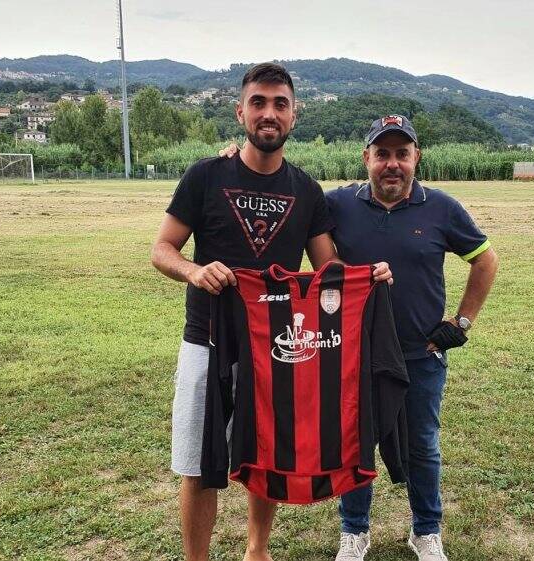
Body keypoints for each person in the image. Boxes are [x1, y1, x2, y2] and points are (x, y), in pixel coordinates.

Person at [151, 63, 391, 561]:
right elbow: (163, 249)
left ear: (294, 116)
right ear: (241, 111)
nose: (268, 113)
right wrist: (194, 272)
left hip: (276, 348)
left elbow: (329, 269)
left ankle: (256, 551)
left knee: (267, 455)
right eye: (258, 102)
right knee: (198, 463)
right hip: (208, 339)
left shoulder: (305, 191)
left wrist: (367, 278)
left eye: (280, 104)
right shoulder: (205, 175)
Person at [326, 115, 498, 561]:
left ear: (416, 157)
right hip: (356, 354)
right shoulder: (338, 205)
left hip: (422, 354)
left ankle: (425, 531)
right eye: (382, 153)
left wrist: (460, 324)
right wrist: (234, 158)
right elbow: (287, 202)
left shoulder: (441, 207)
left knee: (422, 443)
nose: (392, 164)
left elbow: (485, 261)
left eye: (402, 153)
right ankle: (354, 531)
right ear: (366, 158)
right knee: (357, 441)